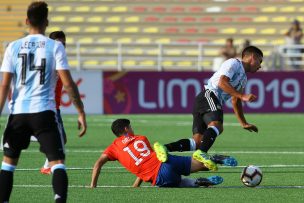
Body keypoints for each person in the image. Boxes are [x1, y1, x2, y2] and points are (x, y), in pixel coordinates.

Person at [0, 2, 87, 203]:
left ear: (26, 21)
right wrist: (80, 111)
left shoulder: (12, 47)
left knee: (8, 165)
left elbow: (4, 86)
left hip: (18, 114)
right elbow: (68, 83)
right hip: (45, 113)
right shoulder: (55, 46)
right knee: (57, 164)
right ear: (46, 22)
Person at [160, 46, 263, 166]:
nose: (260, 66)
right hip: (209, 95)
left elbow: (235, 101)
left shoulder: (244, 78)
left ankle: (164, 148)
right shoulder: (233, 63)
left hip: (204, 100)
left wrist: (243, 123)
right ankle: (202, 153)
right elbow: (222, 82)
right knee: (217, 126)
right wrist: (242, 95)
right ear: (253, 57)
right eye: (260, 61)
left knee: (198, 141)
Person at [90, 119, 223, 188]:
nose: (132, 128)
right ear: (126, 129)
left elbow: (98, 164)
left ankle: (196, 182)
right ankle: (216, 159)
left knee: (180, 183)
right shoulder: (141, 138)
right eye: (130, 126)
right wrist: (136, 183)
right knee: (201, 165)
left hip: (159, 175)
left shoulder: (113, 147)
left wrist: (93, 185)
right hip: (167, 160)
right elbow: (145, 158)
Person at [39, 30, 67, 175]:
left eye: (64, 44)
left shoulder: (60, 60)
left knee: (61, 138)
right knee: (59, 137)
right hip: (48, 106)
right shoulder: (49, 61)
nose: (62, 46)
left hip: (55, 106)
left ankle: (47, 166)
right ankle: (48, 166)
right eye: (59, 43)